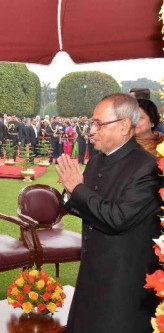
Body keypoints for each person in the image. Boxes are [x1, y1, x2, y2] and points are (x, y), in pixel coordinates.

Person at [56, 93, 161, 333]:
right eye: (92, 124)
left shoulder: (148, 167)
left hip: (123, 281)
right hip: (91, 272)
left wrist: (77, 189)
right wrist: (69, 194)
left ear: (124, 126)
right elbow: (86, 206)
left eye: (99, 124)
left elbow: (117, 218)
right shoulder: (97, 160)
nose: (91, 131)